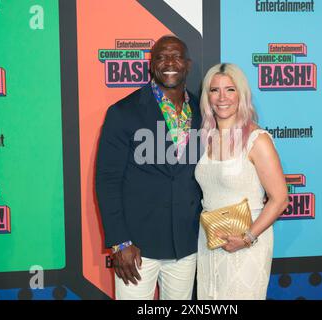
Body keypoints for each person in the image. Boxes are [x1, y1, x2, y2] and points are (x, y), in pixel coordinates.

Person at [95, 35, 203, 300]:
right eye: (161, 56)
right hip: (136, 249)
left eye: (176, 56)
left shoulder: (203, 110)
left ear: (187, 65)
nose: (169, 62)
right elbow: (107, 180)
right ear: (151, 65)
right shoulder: (123, 112)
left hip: (186, 246)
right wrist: (120, 242)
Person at [194, 63, 289, 300]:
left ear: (241, 95)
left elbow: (280, 200)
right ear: (207, 97)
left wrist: (247, 238)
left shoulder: (258, 140)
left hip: (248, 244)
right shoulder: (206, 138)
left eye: (230, 90)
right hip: (209, 242)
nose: (222, 97)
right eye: (214, 90)